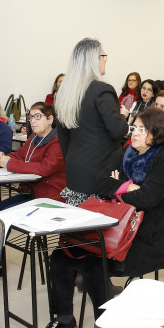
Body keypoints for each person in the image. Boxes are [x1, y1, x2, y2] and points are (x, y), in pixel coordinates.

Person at [38, 108, 164, 328]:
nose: (133, 132)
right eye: (133, 127)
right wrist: (126, 187)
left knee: (93, 264)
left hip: (147, 238)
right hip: (115, 229)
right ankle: (65, 319)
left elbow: (147, 199)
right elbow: (98, 183)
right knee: (61, 254)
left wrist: (118, 190)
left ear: (154, 134)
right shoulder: (125, 154)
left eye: (140, 129)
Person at [55, 38, 130, 206]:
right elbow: (118, 130)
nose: (105, 60)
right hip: (100, 170)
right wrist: (123, 115)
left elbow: (63, 135)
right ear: (94, 60)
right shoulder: (102, 90)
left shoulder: (65, 92)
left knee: (78, 223)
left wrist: (73, 159)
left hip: (76, 168)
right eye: (103, 56)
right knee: (98, 223)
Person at [0, 102, 66, 214]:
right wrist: (1, 159)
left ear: (49, 119)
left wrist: (9, 163)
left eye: (37, 116)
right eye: (30, 117)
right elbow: (20, 155)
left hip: (48, 196)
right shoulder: (33, 137)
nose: (32, 121)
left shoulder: (57, 141)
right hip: (30, 192)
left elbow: (44, 168)